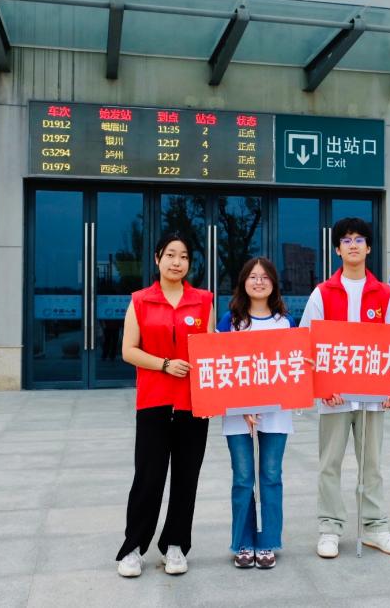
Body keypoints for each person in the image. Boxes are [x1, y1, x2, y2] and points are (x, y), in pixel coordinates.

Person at [298, 217, 390, 559]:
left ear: (369, 247)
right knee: (329, 464)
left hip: (373, 397)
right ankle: (329, 527)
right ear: (337, 249)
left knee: (371, 464)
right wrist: (322, 387)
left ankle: (375, 527)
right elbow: (308, 344)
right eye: (347, 240)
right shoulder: (323, 293)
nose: (354, 245)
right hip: (335, 397)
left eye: (360, 239)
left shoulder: (383, 293)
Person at [115, 233, 214, 578]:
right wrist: (164, 364)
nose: (177, 262)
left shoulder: (203, 301)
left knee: (186, 478)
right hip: (154, 402)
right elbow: (128, 350)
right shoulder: (140, 300)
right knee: (148, 477)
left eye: (184, 256)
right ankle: (132, 548)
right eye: (170, 255)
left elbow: (210, 350)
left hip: (192, 404)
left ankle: (175, 545)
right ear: (157, 258)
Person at [217, 257, 295, 570]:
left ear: (274, 283)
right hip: (237, 414)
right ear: (243, 282)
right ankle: (243, 542)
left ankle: (268, 541)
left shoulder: (284, 322)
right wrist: (243, 404)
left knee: (271, 476)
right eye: (253, 276)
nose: (259, 282)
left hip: (275, 413)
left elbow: (291, 367)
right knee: (243, 478)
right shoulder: (231, 321)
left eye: (265, 277)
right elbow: (220, 364)